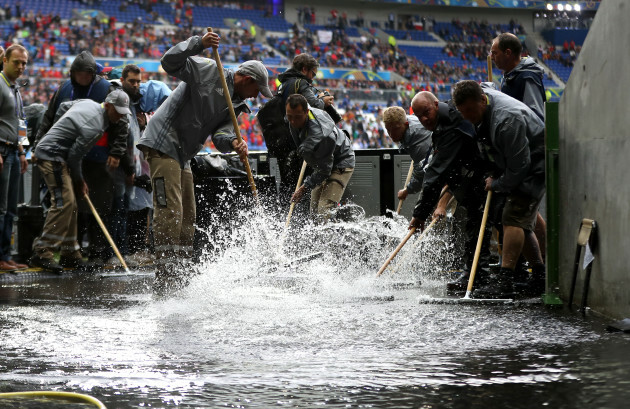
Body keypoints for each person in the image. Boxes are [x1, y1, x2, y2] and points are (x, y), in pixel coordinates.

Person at [137, 31, 272, 287]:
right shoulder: (210, 69)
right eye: (257, 89)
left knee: (188, 216)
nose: (256, 96)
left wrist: (233, 142)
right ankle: (164, 277)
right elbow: (170, 62)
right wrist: (198, 43)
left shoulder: (238, 103)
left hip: (185, 153)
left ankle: (181, 275)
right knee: (170, 211)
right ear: (246, 78)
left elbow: (220, 134)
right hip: (164, 141)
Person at [34, 51, 129, 268]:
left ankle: (71, 252)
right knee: (64, 203)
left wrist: (61, 128)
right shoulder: (95, 125)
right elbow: (75, 154)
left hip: (69, 155)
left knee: (73, 204)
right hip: (58, 156)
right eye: (119, 112)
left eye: (86, 73)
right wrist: (79, 179)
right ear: (110, 106)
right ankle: (42, 250)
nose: (121, 117)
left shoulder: (94, 103)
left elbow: (67, 108)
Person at [452, 80, 545, 298]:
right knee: (523, 222)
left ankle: (505, 281)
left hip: (534, 163)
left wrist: (497, 183)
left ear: (482, 100)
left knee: (512, 217)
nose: (467, 117)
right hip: (515, 162)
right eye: (462, 112)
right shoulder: (480, 99)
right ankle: (540, 276)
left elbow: (520, 166)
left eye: (470, 111)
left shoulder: (506, 121)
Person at [407, 91, 492, 293]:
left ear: (436, 104)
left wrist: (420, 214)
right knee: (477, 225)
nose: (424, 119)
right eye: (419, 116)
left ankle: (486, 275)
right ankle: (476, 273)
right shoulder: (442, 122)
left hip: (486, 173)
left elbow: (436, 174)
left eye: (426, 112)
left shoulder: (451, 124)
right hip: (472, 176)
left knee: (488, 224)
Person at [491, 32, 548, 265]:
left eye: (494, 52)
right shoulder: (509, 77)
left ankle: (527, 266)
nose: (491, 56)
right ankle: (541, 263)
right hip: (519, 148)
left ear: (508, 53)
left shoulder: (525, 77)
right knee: (530, 214)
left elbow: (535, 115)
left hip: (529, 150)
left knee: (516, 215)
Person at [264, 53, 338, 202]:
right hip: (298, 143)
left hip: (283, 143)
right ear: (305, 69)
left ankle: (288, 220)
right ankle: (302, 221)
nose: (313, 78)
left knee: (287, 186)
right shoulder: (301, 83)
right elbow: (314, 106)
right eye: (312, 73)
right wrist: (323, 101)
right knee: (302, 190)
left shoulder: (284, 84)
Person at [285, 94, 354, 219]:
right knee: (314, 210)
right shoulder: (295, 119)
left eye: (297, 117)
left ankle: (331, 238)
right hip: (323, 162)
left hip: (341, 162)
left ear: (306, 112)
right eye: (289, 117)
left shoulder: (322, 136)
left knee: (323, 210)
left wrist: (304, 188)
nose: (293, 121)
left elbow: (325, 170)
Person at [0, 44, 29, 272]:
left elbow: (20, 125)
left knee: (11, 209)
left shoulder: (16, 89)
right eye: (17, 62)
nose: (21, 67)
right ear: (5, 60)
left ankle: (6, 256)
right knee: (0, 209)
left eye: (24, 63)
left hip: (13, 152)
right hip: (1, 151)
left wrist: (23, 152)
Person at [381, 106, 432, 204]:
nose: (391, 134)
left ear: (406, 124)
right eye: (388, 130)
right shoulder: (407, 119)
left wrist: (407, 190)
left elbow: (420, 175)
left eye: (395, 129)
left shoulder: (417, 143)